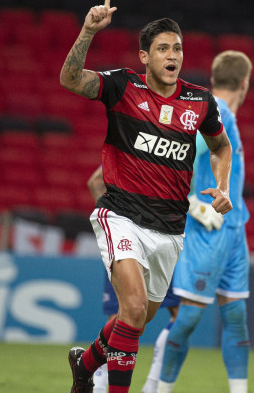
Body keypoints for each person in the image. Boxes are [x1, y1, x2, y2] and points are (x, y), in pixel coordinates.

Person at [61, 0, 233, 393]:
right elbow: (70, 79)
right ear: (145, 57)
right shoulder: (123, 87)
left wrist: (223, 185)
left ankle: (84, 364)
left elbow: (221, 146)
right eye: (162, 49)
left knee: (138, 318)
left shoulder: (200, 102)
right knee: (134, 309)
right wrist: (88, 31)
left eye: (177, 49)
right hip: (120, 215)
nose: (172, 56)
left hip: (170, 230)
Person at [156, 50, 252, 393]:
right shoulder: (218, 112)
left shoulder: (226, 115)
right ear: (245, 83)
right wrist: (192, 203)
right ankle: (160, 388)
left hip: (234, 232)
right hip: (208, 230)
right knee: (190, 316)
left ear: (214, 79)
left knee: (236, 316)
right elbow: (180, 151)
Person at [86, 166, 180, 393]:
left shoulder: (185, 146)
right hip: (126, 237)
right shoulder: (137, 144)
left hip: (164, 237)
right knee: (123, 314)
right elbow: (95, 181)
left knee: (177, 315)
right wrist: (117, 216)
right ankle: (98, 381)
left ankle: (152, 385)